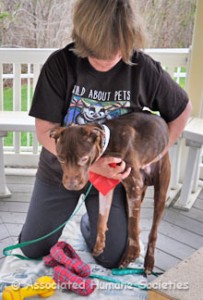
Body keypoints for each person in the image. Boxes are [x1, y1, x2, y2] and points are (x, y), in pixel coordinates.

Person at [19, 0, 192, 269]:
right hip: (61, 170)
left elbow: (182, 110)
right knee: (32, 248)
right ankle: (72, 210)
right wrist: (91, 164)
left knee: (112, 256)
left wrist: (151, 155)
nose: (108, 57)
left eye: (116, 48)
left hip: (112, 179)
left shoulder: (143, 68)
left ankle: (88, 219)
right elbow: (44, 131)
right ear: (83, 38)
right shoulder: (59, 65)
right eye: (98, 50)